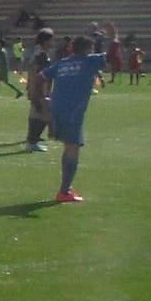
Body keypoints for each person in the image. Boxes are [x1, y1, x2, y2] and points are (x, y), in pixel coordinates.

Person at [42, 23, 116, 203]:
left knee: (69, 146)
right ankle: (64, 191)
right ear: (88, 49)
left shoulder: (62, 63)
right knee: (73, 148)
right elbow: (113, 55)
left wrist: (44, 96)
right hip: (73, 111)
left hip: (56, 109)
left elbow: (41, 76)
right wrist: (114, 34)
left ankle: (65, 188)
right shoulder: (89, 61)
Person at [25, 28, 55, 153]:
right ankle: (32, 142)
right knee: (43, 114)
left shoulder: (37, 53)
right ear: (46, 41)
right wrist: (41, 91)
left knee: (36, 114)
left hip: (36, 88)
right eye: (52, 40)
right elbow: (39, 74)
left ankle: (32, 141)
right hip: (40, 89)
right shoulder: (41, 55)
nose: (53, 42)